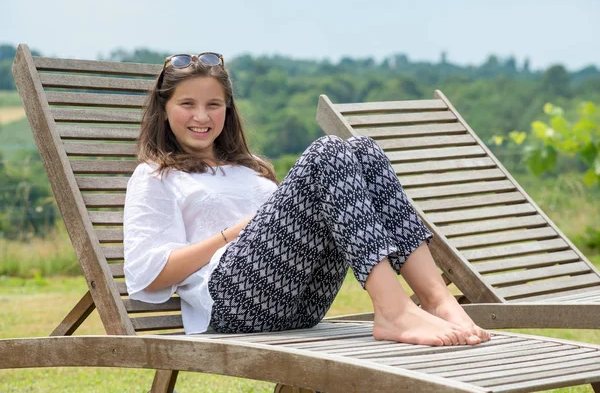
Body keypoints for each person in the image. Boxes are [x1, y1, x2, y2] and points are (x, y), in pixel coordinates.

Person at [123, 52, 491, 346]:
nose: (201, 116)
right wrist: (233, 233)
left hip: (302, 302)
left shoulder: (249, 169)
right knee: (326, 151)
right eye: (187, 104)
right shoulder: (157, 175)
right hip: (231, 302)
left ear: (228, 110)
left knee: (364, 150)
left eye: (214, 105)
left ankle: (437, 301)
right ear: (165, 108)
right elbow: (148, 276)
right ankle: (394, 310)